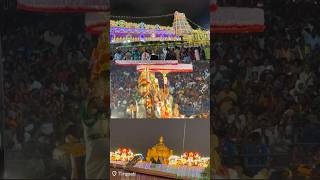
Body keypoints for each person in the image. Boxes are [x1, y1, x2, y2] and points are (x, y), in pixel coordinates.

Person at [80, 96, 108, 179]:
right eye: (94, 103)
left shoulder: (104, 114)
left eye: (99, 101)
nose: (99, 103)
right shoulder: (87, 116)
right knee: (92, 174)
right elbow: (91, 114)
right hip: (93, 149)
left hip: (105, 147)